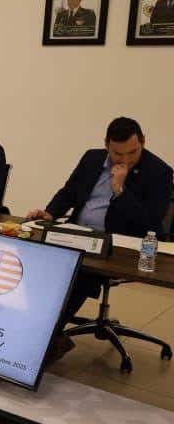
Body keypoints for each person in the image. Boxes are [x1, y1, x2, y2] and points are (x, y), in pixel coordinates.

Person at [26, 117, 173, 353]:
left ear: (143, 142)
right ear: (106, 145)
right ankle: (33, 328)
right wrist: (50, 213)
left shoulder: (159, 172)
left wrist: (120, 190)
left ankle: (45, 341)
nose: (125, 160)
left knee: (76, 273)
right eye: (117, 154)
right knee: (34, 258)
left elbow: (151, 223)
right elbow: (69, 192)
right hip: (78, 234)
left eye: (132, 153)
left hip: (118, 247)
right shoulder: (92, 158)